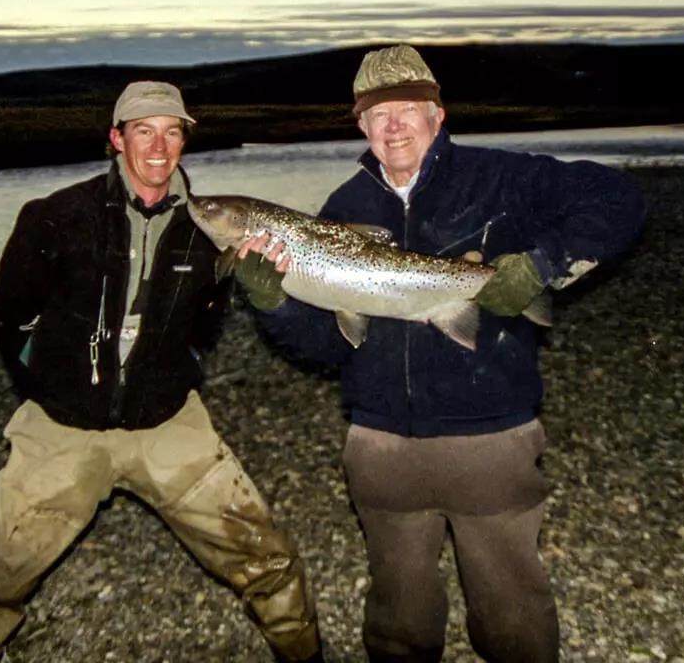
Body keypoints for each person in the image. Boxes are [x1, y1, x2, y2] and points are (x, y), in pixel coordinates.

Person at [234, 46, 645, 663]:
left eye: (409, 110)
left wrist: (542, 264)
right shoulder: (342, 211)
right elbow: (326, 345)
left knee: (514, 615)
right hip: (378, 446)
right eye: (379, 114)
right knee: (398, 618)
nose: (393, 125)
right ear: (360, 125)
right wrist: (277, 305)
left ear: (438, 115)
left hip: (490, 439)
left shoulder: (501, 179)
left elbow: (620, 200)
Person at [0, 81, 323, 663]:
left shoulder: (213, 227)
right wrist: (46, 386)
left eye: (172, 133)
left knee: (265, 558)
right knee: (1, 573)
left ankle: (304, 653)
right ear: (116, 139)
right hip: (63, 427)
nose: (159, 146)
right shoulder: (54, 216)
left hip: (167, 421)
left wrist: (186, 366)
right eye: (144, 131)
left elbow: (209, 320)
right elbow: (9, 315)